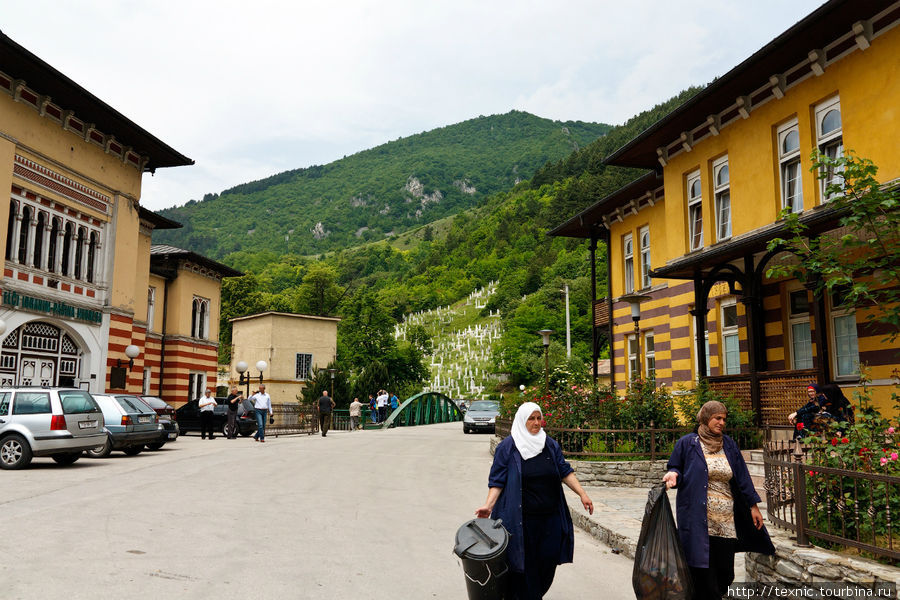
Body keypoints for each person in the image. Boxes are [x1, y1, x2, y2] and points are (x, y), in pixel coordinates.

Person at [475, 402, 594, 599]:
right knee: (525, 571)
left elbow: (564, 471)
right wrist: (488, 505)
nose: (537, 423)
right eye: (532, 418)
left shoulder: (549, 444)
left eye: (539, 418)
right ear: (522, 421)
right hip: (521, 522)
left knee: (547, 565)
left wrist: (582, 494)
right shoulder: (508, 447)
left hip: (551, 520)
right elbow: (497, 481)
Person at [663, 400, 774, 600]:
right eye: (717, 418)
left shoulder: (729, 445)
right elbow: (675, 466)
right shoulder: (688, 443)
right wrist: (673, 474)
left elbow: (742, 477)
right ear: (706, 418)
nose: (722, 422)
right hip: (697, 519)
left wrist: (753, 506)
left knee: (725, 573)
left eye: (724, 418)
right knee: (701, 570)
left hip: (726, 521)